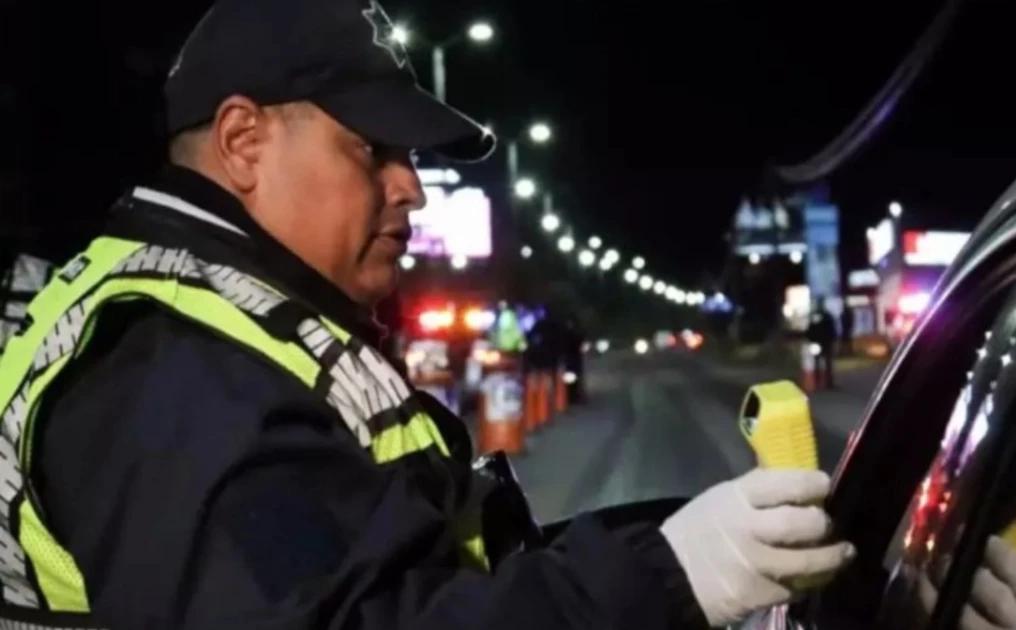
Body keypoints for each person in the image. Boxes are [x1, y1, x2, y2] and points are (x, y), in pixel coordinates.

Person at [0, 1, 854, 627]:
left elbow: (422, 574)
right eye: (371, 150)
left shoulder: (236, 328)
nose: (411, 185)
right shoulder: (170, 369)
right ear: (243, 143)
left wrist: (680, 542)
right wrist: (668, 576)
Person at [808, 297, 837, 388]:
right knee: (825, 363)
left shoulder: (817, 315)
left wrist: (810, 339)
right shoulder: (826, 315)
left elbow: (810, 329)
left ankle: (821, 383)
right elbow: (811, 329)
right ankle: (825, 383)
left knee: (821, 363)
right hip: (823, 342)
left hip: (820, 342)